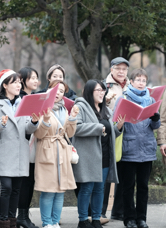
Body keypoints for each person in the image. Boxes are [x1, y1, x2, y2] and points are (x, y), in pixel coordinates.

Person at [0, 69, 39, 228]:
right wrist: (1, 124)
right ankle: (3, 221)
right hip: (3, 152)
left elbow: (27, 130)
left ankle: (12, 221)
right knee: (6, 187)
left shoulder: (23, 102)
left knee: (16, 189)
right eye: (14, 82)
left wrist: (34, 122)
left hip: (20, 151)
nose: (18, 85)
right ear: (5, 85)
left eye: (19, 82)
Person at [72, 79, 124, 228]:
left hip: (105, 156)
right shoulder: (80, 106)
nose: (102, 93)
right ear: (89, 91)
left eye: (103, 90)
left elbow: (108, 132)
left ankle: (96, 219)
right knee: (87, 188)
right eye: (98, 90)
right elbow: (76, 128)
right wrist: (97, 128)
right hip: (89, 156)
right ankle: (82, 220)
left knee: (100, 189)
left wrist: (118, 128)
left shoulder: (105, 109)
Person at [115, 69, 160, 228]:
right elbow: (116, 124)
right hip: (129, 149)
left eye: (143, 80)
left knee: (143, 187)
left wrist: (156, 119)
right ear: (131, 82)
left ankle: (142, 218)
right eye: (138, 80)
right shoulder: (123, 99)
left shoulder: (151, 100)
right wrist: (119, 125)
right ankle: (129, 219)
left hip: (147, 149)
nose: (141, 83)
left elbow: (155, 126)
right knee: (128, 187)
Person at [34, 80, 79, 228]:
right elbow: (39, 134)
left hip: (62, 150)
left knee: (61, 191)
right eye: (56, 90)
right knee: (48, 190)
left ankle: (55, 221)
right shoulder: (42, 106)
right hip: (47, 149)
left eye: (62, 91)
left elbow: (69, 133)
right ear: (49, 90)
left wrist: (72, 117)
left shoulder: (64, 109)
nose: (59, 93)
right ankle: (47, 222)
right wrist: (45, 119)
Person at [102, 57, 130, 221]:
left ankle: (118, 211)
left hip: (128, 133)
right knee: (106, 174)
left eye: (124, 69)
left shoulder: (130, 86)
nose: (121, 72)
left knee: (123, 173)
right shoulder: (103, 86)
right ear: (111, 69)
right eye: (118, 68)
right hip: (109, 133)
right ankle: (101, 211)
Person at [17, 67, 39, 228]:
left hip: (34, 145)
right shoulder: (19, 99)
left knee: (30, 181)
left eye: (37, 78)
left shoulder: (34, 98)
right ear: (23, 80)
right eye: (32, 78)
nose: (36, 81)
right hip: (23, 146)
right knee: (24, 182)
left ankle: (23, 215)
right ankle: (20, 216)